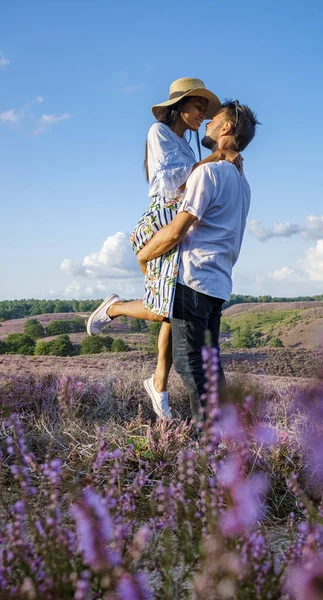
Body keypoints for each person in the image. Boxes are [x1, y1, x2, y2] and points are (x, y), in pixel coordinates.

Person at [86, 78, 242, 419]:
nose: (203, 113)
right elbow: (176, 183)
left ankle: (158, 383)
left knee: (173, 305)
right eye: (198, 106)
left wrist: (216, 160)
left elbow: (193, 183)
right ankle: (115, 309)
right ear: (180, 106)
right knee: (164, 309)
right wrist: (220, 156)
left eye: (205, 108)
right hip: (163, 220)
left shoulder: (189, 146)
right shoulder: (159, 133)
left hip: (179, 219)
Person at [135, 100, 259, 418]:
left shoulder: (209, 173)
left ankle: (210, 448)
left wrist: (144, 255)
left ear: (226, 128)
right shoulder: (242, 182)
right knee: (210, 368)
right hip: (218, 284)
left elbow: (177, 231)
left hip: (192, 280)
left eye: (213, 119)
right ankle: (219, 442)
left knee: (193, 369)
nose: (207, 123)